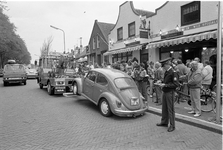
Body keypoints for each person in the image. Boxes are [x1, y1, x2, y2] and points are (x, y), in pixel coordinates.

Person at [156, 57, 179, 132]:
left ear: (167, 65)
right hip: (165, 92)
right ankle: (164, 122)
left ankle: (172, 125)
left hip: (170, 92)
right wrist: (161, 81)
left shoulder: (173, 72)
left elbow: (175, 84)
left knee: (170, 109)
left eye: (163, 66)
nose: (163, 68)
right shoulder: (167, 71)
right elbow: (167, 81)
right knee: (164, 108)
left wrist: (165, 85)